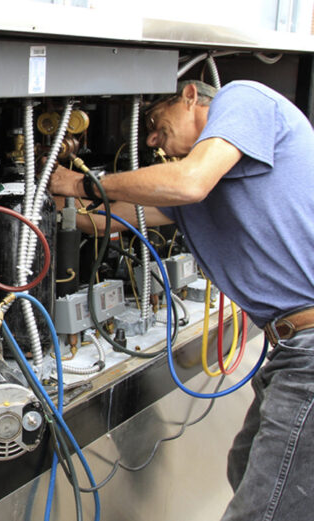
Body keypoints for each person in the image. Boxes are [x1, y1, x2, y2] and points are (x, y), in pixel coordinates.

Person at [49, 79, 314, 520]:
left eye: (155, 120)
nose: (153, 139)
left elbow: (189, 183)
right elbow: (105, 222)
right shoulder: (206, 185)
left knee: (261, 510)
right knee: (245, 465)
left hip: (309, 351)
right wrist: (53, 202)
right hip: (291, 350)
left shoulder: (243, 98)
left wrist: (84, 183)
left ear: (191, 96)